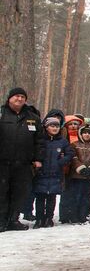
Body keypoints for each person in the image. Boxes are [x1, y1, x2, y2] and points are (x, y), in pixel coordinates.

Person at [0, 88, 43, 232]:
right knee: (2, 191)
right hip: (3, 162)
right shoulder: (1, 114)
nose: (19, 99)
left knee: (19, 193)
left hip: (23, 164)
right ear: (9, 98)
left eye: (22, 97)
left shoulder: (33, 118)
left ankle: (13, 219)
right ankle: (1, 220)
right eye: (16, 96)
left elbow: (39, 141)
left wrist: (38, 158)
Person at [32, 117, 74, 228]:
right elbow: (34, 151)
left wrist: (61, 162)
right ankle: (39, 219)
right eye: (52, 126)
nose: (55, 128)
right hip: (42, 173)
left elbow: (70, 153)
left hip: (55, 173)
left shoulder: (62, 141)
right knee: (40, 197)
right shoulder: (41, 140)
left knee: (52, 197)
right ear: (46, 127)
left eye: (56, 126)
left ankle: (49, 219)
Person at [61, 124, 90, 224]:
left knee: (86, 195)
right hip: (77, 175)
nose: (87, 135)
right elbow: (74, 158)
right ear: (80, 134)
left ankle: (83, 215)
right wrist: (80, 168)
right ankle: (73, 215)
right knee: (75, 195)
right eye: (84, 133)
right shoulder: (74, 144)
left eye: (89, 133)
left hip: (89, 175)